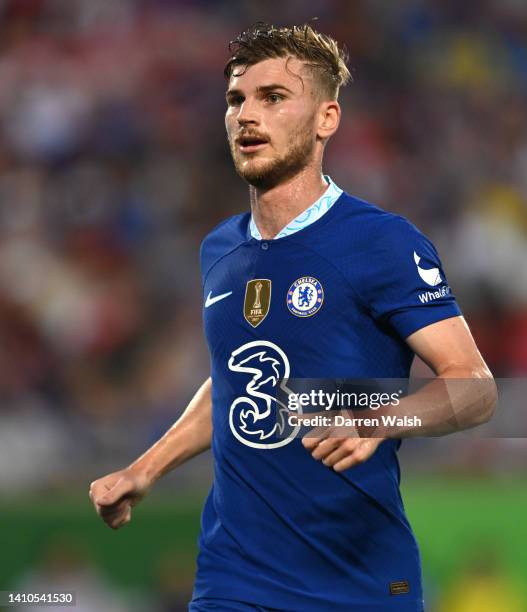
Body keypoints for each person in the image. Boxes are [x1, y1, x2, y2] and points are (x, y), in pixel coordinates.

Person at [89, 23, 497, 612]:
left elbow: (474, 388)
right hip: (234, 578)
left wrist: (381, 419)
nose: (246, 116)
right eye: (236, 100)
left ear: (327, 118)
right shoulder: (219, 250)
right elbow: (235, 382)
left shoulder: (379, 241)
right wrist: (145, 469)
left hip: (358, 580)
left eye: (274, 97)